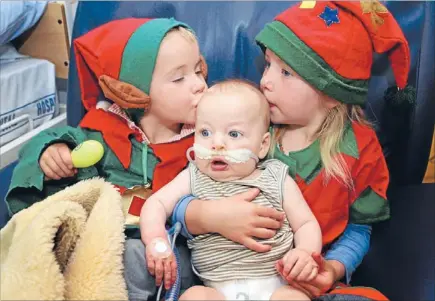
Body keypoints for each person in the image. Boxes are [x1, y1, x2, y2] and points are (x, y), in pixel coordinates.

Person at [174, 1, 413, 299]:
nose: (265, 81)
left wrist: (333, 268)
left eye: (286, 72)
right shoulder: (245, 127)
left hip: (300, 284)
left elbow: (359, 229)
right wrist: (205, 215)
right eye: (268, 64)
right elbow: (181, 192)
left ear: (331, 93)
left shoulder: (358, 149)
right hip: (223, 277)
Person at [5, 17, 207, 301]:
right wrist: (52, 152)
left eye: (200, 71)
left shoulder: (207, 138)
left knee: (138, 258)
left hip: (170, 253)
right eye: (179, 78)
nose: (199, 85)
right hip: (102, 247)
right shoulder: (104, 131)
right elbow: (48, 143)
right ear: (135, 93)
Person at [140, 79, 322, 300]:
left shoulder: (276, 177)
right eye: (205, 133)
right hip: (217, 291)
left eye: (233, 134)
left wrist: (305, 252)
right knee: (194, 296)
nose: (217, 144)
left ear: (263, 145)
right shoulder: (193, 175)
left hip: (277, 285)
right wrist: (156, 240)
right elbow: (156, 204)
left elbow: (305, 223)